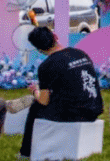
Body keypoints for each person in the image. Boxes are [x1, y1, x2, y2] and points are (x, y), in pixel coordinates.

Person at [17, 26, 104, 161]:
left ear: (39, 49)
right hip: (95, 108)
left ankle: (25, 152)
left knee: (35, 107)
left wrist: (35, 91)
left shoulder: (47, 65)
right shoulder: (80, 53)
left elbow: (44, 101)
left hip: (75, 114)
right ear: (55, 37)